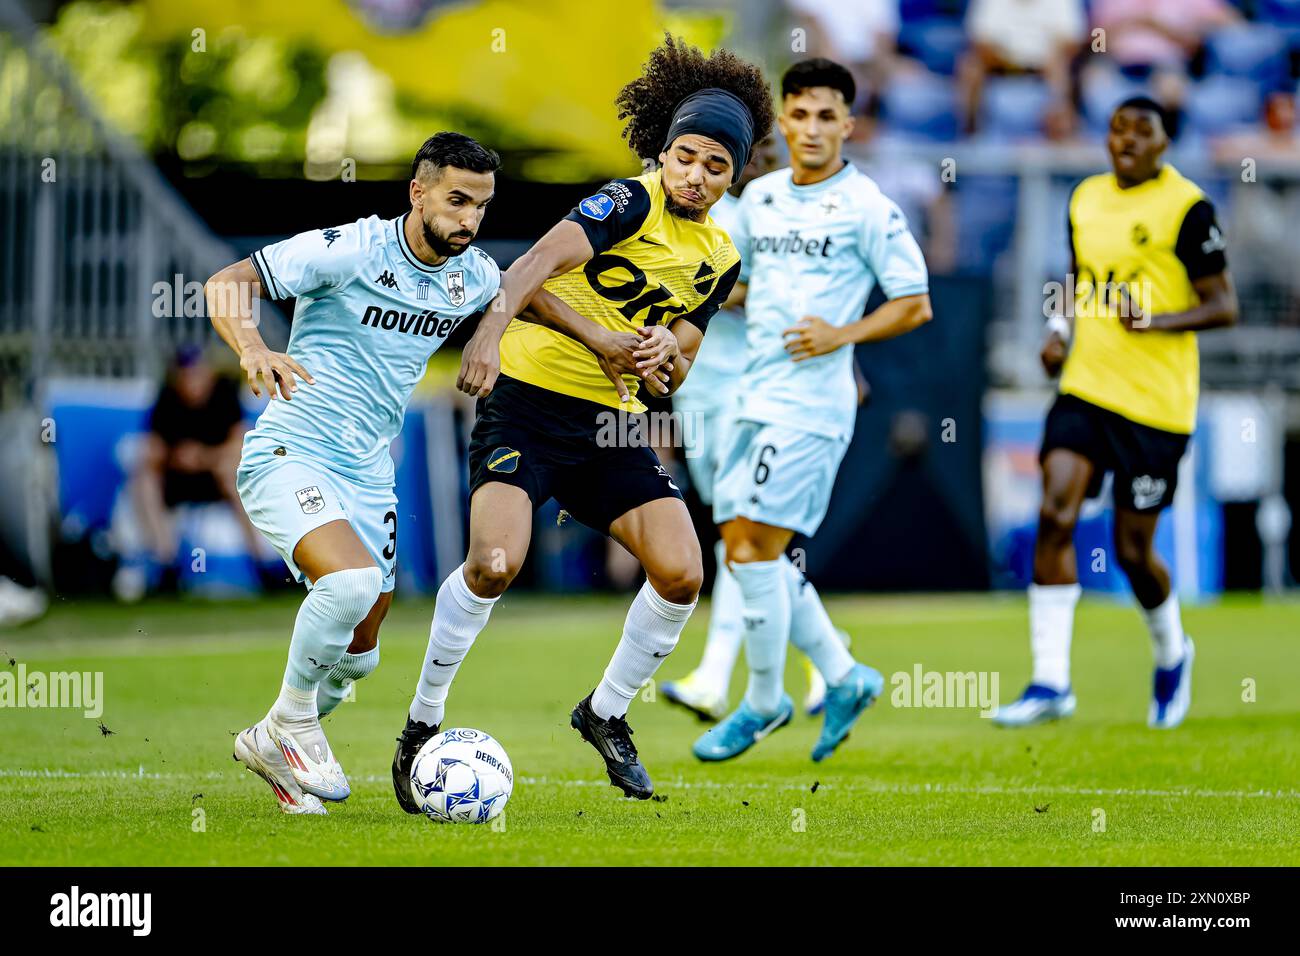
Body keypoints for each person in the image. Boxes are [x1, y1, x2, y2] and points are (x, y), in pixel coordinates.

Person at [392, 35, 774, 805]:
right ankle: (420, 725)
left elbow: (679, 366)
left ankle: (606, 714)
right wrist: (491, 338)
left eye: (716, 165)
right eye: (687, 157)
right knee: (494, 565)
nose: (696, 175)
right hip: (529, 404)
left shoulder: (722, 257)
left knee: (682, 571)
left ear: (736, 174)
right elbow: (524, 270)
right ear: (664, 152)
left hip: (612, 425)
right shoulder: (626, 201)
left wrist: (668, 348)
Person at [207, 132, 601, 814]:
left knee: (359, 654)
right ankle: (292, 724)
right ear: (417, 193)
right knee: (352, 583)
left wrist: (504, 337)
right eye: (456, 201)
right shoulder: (349, 248)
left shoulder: (467, 272)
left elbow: (515, 292)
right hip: (293, 448)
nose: (470, 219)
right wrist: (252, 346)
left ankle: (273, 741)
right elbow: (227, 282)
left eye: (482, 206)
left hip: (366, 473)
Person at [691, 58, 932, 764]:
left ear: (848, 126)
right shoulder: (761, 200)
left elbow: (915, 302)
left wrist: (841, 335)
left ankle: (764, 700)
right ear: (784, 123)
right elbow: (746, 289)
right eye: (799, 114)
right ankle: (845, 674)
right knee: (746, 551)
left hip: (811, 406)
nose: (812, 128)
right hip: (751, 393)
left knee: (750, 550)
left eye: (827, 116)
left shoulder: (869, 207)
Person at [992, 97, 1237, 730]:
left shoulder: (1187, 209)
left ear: (1163, 143)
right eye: (1117, 128)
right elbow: (1074, 277)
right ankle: (1050, 682)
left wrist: (1156, 321)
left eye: (1142, 131)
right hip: (1086, 387)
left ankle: (1171, 650)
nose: (1126, 139)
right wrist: (1056, 330)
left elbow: (1223, 304)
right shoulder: (1086, 198)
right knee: (1054, 512)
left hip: (1155, 406)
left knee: (1133, 552)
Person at [661, 137, 849, 722]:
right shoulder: (696, 211)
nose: (764, 162)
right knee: (739, 534)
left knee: (744, 533)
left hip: (752, 389)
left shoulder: (763, 217)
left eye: (772, 151)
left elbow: (767, 295)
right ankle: (830, 659)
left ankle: (718, 678)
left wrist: (699, 291)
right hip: (702, 389)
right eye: (757, 151)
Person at [112, 346, 259, 601]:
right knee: (144, 479)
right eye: (186, 375)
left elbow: (242, 444)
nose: (191, 382)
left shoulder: (224, 393)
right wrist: (175, 457)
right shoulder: (167, 397)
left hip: (215, 477)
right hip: (178, 479)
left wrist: (203, 457)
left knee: (231, 472)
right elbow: (153, 447)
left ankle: (261, 562)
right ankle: (167, 563)